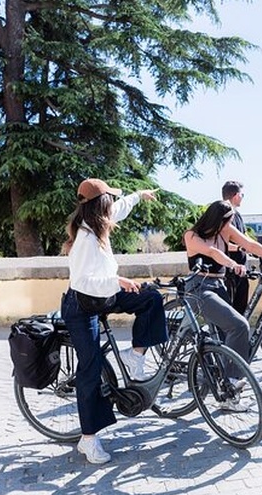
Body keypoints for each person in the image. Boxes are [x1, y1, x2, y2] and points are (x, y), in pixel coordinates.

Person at [61, 179, 167, 464]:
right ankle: (89, 439)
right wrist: (117, 280)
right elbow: (82, 281)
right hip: (82, 305)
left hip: (103, 295)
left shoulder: (101, 221)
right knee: (90, 369)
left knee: (151, 299)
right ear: (100, 204)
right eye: (110, 199)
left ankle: (135, 356)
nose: (113, 204)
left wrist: (138, 195)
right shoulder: (85, 237)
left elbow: (121, 207)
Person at [183, 200, 262, 410]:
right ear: (218, 220)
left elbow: (252, 245)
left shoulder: (225, 231)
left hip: (219, 286)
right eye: (228, 221)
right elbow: (213, 253)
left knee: (229, 340)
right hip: (200, 289)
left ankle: (225, 389)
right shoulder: (192, 236)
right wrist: (234, 264)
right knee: (239, 325)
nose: (231, 225)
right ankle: (232, 387)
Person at [221, 181, 249, 315]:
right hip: (230, 271)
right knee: (231, 311)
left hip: (241, 269)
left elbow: (245, 237)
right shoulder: (224, 215)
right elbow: (221, 243)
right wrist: (240, 248)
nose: (243, 198)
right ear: (236, 195)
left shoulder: (237, 215)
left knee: (241, 307)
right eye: (242, 195)